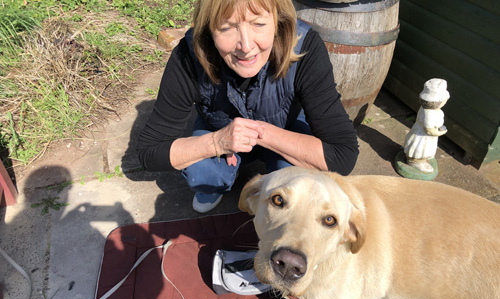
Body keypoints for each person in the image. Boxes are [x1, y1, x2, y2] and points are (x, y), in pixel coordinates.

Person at [137, 0, 359, 213]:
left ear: (278, 20)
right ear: (208, 28)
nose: (245, 46)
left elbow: (343, 154)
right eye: (226, 28)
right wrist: (217, 141)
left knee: (294, 183)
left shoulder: (306, 46)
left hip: (287, 126)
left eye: (258, 24)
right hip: (218, 127)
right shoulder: (190, 54)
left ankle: (278, 171)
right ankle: (213, 187)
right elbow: (150, 151)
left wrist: (259, 133)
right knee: (203, 173)